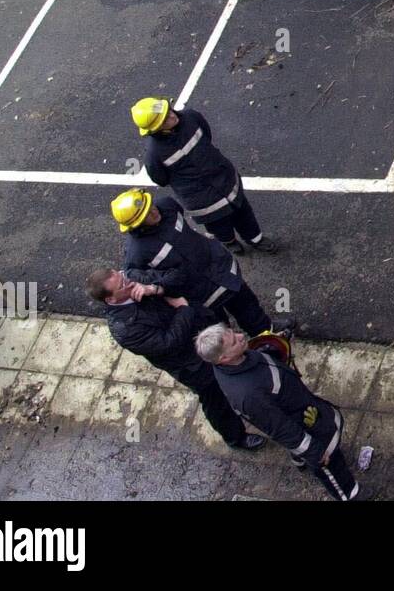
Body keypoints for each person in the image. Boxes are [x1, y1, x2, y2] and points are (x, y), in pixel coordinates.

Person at [85, 267, 266, 452]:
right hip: (191, 363)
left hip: (204, 327)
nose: (129, 281)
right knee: (214, 398)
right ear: (111, 299)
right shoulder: (125, 329)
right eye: (122, 284)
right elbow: (169, 343)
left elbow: (177, 275)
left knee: (241, 360)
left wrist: (156, 288)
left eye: (122, 275)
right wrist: (183, 309)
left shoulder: (134, 277)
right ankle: (236, 437)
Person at [196, 324, 361, 501]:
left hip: (299, 408)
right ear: (224, 358)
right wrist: (314, 451)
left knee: (304, 448)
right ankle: (350, 494)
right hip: (305, 425)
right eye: (234, 341)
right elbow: (280, 427)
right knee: (330, 465)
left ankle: (299, 458)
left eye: (234, 333)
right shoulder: (249, 396)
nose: (241, 336)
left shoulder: (235, 361)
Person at [110, 187, 274, 337]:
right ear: (136, 226)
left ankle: (267, 334)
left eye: (150, 206)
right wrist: (161, 283)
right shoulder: (137, 251)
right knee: (220, 332)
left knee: (249, 308)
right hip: (202, 294)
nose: (153, 211)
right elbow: (134, 273)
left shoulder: (166, 206)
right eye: (146, 215)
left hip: (222, 271)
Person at [130, 97, 277, 258]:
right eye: (165, 120)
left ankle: (255, 239)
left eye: (169, 111)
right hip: (202, 200)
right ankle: (229, 242)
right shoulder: (154, 154)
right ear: (155, 130)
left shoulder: (191, 117)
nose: (172, 117)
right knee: (218, 226)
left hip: (225, 179)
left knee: (244, 212)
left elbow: (206, 134)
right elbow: (160, 178)